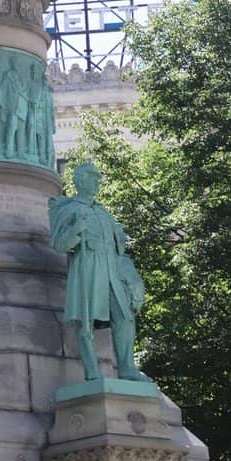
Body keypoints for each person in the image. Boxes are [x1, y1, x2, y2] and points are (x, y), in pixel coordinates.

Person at [48, 163, 149, 382]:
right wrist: (76, 231)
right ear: (80, 181)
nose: (97, 182)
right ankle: (92, 372)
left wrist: (130, 276)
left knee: (124, 316)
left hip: (112, 269)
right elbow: (58, 244)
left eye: (98, 178)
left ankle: (126, 367)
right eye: (92, 178)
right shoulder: (68, 208)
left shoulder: (103, 212)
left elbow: (119, 248)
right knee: (86, 321)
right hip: (88, 266)